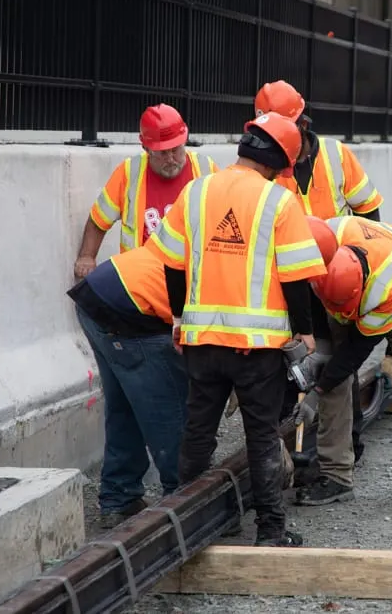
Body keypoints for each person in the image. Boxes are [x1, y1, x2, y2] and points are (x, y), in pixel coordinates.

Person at [146, 112, 327, 547]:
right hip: (256, 349)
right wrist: (304, 332)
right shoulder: (279, 202)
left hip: (201, 342)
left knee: (198, 432)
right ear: (279, 162)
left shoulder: (195, 190)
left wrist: (178, 318)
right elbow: (296, 276)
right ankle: (270, 531)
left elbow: (172, 263)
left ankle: (184, 526)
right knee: (261, 436)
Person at [254, 79, 385, 465]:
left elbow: (370, 215)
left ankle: (347, 448)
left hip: (337, 278)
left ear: (303, 124)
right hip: (292, 283)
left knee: (340, 365)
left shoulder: (336, 155)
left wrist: (360, 270)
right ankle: (290, 453)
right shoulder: (267, 167)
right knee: (292, 366)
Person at [291, 215, 392, 519]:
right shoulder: (321, 251)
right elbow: (314, 317)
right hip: (341, 289)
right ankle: (336, 476)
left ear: (358, 294)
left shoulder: (384, 289)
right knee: (331, 373)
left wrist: (316, 393)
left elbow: (356, 352)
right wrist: (318, 355)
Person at [66, 245, 189, 529]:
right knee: (169, 409)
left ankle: (119, 497)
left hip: (98, 293)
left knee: (125, 404)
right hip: (129, 306)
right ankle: (184, 500)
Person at [74, 103, 219, 279]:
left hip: (192, 276)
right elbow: (99, 219)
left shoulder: (206, 169)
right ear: (146, 149)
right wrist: (87, 257)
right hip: (141, 278)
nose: (171, 159)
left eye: (176, 150)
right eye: (163, 153)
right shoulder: (129, 173)